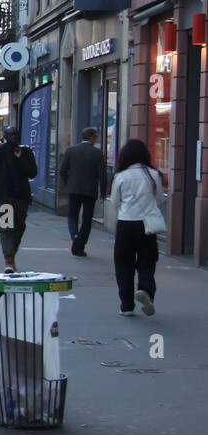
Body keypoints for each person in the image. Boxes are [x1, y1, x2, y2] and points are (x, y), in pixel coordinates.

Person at [110, 139, 164, 317]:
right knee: (147, 261)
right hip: (146, 225)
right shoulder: (153, 174)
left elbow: (115, 202)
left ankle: (126, 305)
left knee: (123, 263)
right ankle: (146, 291)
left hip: (126, 223)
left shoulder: (120, 176)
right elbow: (159, 200)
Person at [0, 127, 38, 272]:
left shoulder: (26, 152)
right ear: (6, 136)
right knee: (6, 228)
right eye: (11, 135)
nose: (14, 137)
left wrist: (20, 158)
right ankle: (9, 260)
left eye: (16, 134)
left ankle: (11, 254)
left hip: (21, 198)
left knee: (19, 227)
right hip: (4, 198)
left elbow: (33, 172)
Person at [60, 126, 106, 257]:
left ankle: (74, 235)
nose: (96, 139)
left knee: (72, 215)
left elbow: (62, 170)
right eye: (96, 136)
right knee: (87, 218)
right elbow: (102, 175)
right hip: (90, 190)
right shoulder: (97, 153)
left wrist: (68, 183)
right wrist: (103, 192)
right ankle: (80, 243)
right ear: (91, 137)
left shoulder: (71, 150)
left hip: (74, 189)